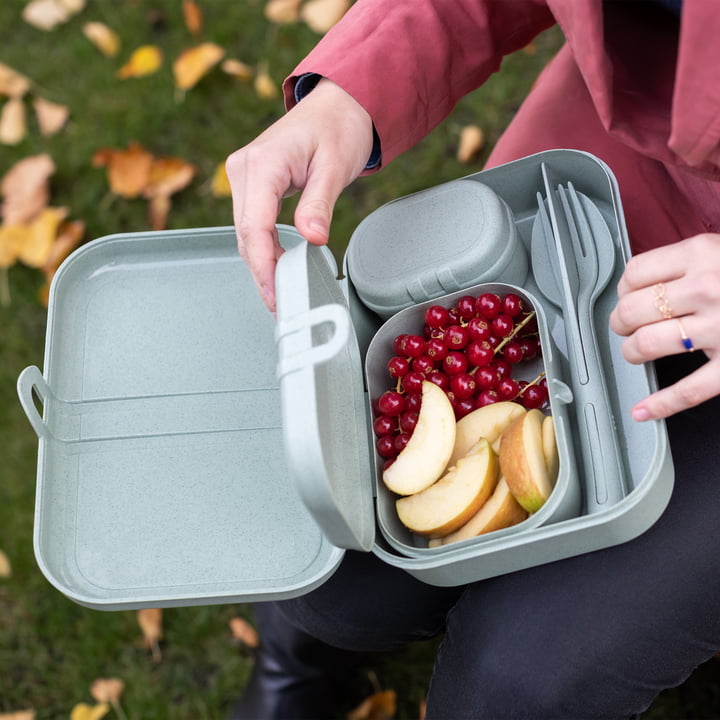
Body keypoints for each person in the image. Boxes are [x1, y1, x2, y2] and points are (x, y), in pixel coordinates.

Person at [225, 1, 720, 717]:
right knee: (329, 561)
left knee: (519, 677)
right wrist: (349, 92)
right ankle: (298, 656)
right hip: (587, 198)